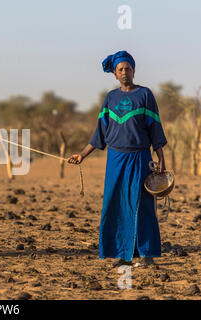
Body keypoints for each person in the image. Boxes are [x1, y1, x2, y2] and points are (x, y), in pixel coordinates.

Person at [68, 51, 167, 267]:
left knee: (142, 204)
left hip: (141, 158)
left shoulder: (145, 95)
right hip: (115, 160)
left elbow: (156, 131)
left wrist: (162, 161)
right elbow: (99, 135)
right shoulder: (110, 98)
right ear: (114, 74)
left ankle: (146, 254)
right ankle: (123, 255)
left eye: (128, 68)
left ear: (134, 70)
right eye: (120, 69)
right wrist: (81, 155)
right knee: (116, 204)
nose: (125, 73)